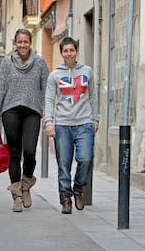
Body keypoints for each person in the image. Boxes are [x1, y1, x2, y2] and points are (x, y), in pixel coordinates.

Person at [0, 29, 49, 212]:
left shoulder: (39, 63)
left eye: (26, 42)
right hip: (10, 110)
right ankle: (17, 195)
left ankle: (26, 183)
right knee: (14, 153)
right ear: (15, 43)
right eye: (19, 42)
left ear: (30, 43)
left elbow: (46, 88)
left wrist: (47, 111)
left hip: (32, 111)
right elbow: (0, 87)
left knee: (30, 151)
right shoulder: (7, 63)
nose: (23, 45)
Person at [44, 37, 100, 214]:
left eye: (72, 50)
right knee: (63, 163)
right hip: (63, 124)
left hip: (84, 122)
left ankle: (78, 188)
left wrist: (95, 119)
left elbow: (93, 96)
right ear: (61, 53)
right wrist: (48, 122)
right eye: (65, 51)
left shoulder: (87, 71)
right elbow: (49, 99)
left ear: (76, 51)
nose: (69, 53)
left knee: (86, 159)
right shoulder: (55, 75)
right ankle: (65, 198)